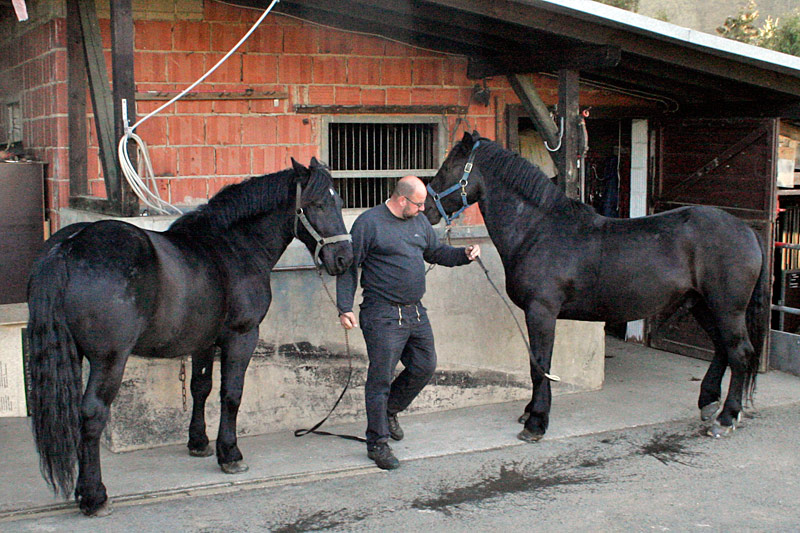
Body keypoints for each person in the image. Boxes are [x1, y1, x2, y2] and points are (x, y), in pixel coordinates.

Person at [336, 175, 480, 470]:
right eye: (418, 204)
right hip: (382, 314)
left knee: (424, 366)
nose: (422, 209)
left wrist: (464, 255)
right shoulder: (369, 223)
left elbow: (436, 252)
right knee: (380, 379)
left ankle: (389, 411)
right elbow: (351, 268)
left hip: (415, 312)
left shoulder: (419, 222)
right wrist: (344, 306)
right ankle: (377, 443)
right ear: (402, 199)